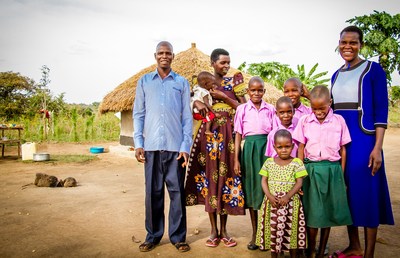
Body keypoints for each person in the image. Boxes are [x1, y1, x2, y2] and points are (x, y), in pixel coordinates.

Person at [330, 25, 394, 258]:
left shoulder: (373, 70)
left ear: (361, 45)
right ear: (338, 44)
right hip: (341, 142)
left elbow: (380, 110)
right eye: (344, 43)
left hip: (364, 140)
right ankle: (354, 245)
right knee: (347, 194)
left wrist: (377, 148)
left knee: (366, 193)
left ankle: (368, 253)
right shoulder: (336, 75)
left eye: (353, 43)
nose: (348, 47)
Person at [133, 41, 192, 253]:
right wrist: (138, 142)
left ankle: (178, 237)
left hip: (176, 149)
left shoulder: (182, 83)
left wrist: (185, 147)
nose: (164, 56)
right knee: (153, 193)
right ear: (155, 55)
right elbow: (138, 114)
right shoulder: (144, 82)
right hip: (151, 148)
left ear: (173, 56)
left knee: (177, 193)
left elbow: (187, 117)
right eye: (161, 53)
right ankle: (153, 236)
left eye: (168, 53)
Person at [185, 48, 247, 248]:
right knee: (210, 179)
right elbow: (191, 104)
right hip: (208, 137)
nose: (227, 66)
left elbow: (243, 108)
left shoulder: (233, 83)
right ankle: (213, 231)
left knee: (226, 180)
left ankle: (224, 230)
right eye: (222, 63)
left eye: (228, 62)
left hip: (229, 136)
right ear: (212, 63)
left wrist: (224, 97)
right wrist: (196, 101)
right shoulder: (202, 84)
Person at [292, 86, 353, 258]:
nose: (318, 112)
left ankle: (321, 251)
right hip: (311, 170)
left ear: (330, 103)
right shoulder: (305, 120)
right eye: (314, 108)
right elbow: (301, 147)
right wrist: (301, 173)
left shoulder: (339, 120)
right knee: (313, 213)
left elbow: (343, 149)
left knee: (327, 213)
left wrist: (340, 175)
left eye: (322, 108)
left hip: (332, 170)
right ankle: (310, 250)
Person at [233, 76, 275, 250]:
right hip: (249, 150)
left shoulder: (271, 109)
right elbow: (237, 135)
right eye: (253, 90)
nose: (256, 93)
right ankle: (255, 234)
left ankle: (268, 234)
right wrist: (236, 159)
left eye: (260, 90)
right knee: (252, 190)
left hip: (266, 149)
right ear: (248, 91)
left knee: (267, 190)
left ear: (264, 91)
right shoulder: (242, 109)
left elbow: (275, 133)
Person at [256, 129, 308, 257]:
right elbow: (263, 181)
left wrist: (288, 196)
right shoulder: (269, 163)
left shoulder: (297, 163)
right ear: (274, 147)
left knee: (292, 231)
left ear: (292, 146)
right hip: (272, 204)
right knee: (273, 231)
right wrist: (269, 196)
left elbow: (299, 182)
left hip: (291, 204)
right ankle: (275, 254)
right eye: (280, 147)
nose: (283, 150)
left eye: (287, 146)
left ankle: (293, 254)